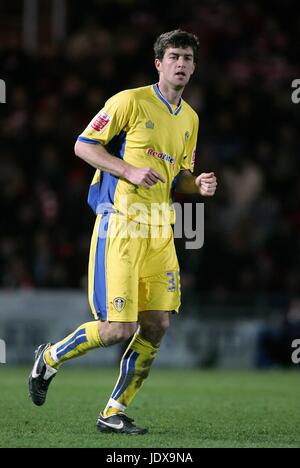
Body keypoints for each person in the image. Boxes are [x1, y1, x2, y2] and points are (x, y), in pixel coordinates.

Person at [29, 29, 217, 435]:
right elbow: (84, 145)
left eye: (187, 58)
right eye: (174, 57)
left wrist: (194, 184)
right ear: (159, 63)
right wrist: (128, 169)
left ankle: (113, 410)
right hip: (121, 223)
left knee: (157, 324)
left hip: (161, 230)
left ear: (194, 66)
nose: (181, 64)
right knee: (119, 329)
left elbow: (176, 176)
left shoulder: (190, 118)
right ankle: (49, 359)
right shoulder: (130, 101)